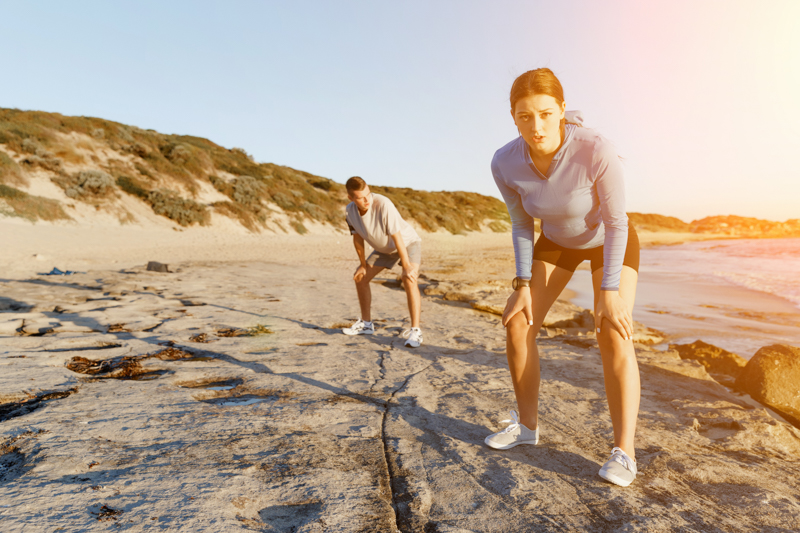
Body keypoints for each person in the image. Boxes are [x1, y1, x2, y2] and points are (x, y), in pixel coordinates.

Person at [485, 68, 641, 487]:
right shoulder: (504, 161)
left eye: (546, 114)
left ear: (562, 109)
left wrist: (608, 291)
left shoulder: (594, 148)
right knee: (518, 323)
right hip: (556, 242)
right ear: (513, 117)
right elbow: (521, 225)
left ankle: (624, 452)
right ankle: (528, 428)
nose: (536, 126)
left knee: (612, 327)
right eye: (524, 117)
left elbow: (617, 222)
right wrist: (521, 285)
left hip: (608, 239)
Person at [341, 176, 424, 348]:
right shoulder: (350, 211)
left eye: (368, 194)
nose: (366, 200)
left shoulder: (383, 204)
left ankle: (415, 331)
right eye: (361, 198)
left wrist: (407, 266)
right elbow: (357, 239)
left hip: (407, 243)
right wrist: (363, 265)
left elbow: (397, 237)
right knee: (360, 278)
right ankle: (366, 324)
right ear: (350, 198)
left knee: (409, 278)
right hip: (385, 249)